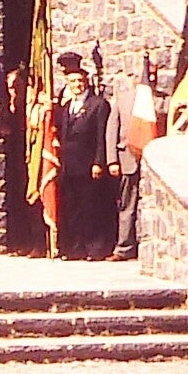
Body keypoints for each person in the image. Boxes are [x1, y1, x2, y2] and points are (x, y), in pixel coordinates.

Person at [53, 52, 111, 260]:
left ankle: (94, 248)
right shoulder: (68, 106)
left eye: (79, 80)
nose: (77, 84)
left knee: (91, 207)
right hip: (70, 166)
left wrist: (98, 162)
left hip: (88, 165)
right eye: (72, 81)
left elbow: (101, 135)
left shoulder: (98, 104)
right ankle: (75, 248)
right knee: (73, 208)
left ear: (86, 81)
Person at [102, 73, 141, 262]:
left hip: (151, 160)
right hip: (127, 160)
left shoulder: (162, 101)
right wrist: (112, 160)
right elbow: (111, 131)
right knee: (127, 206)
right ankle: (124, 247)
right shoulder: (122, 100)